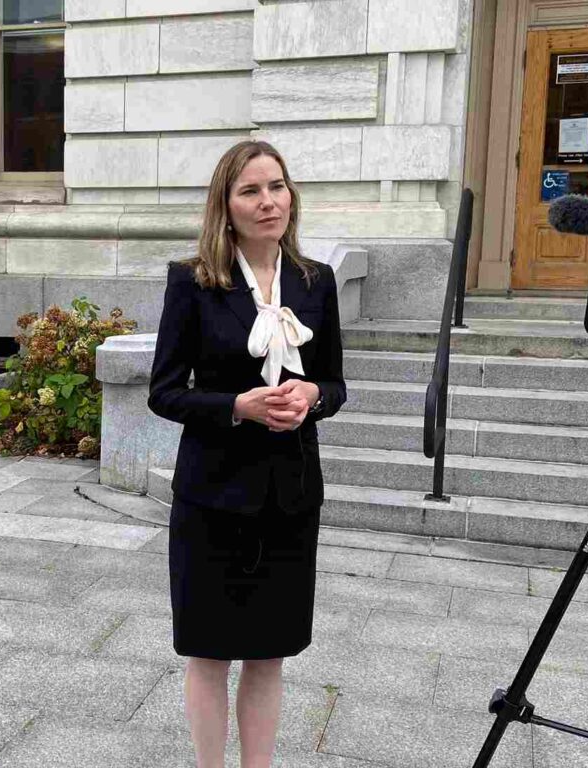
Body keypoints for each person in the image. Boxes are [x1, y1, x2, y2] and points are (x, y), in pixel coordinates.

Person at [148, 140, 346, 768]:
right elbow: (165, 391)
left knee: (269, 651)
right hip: (213, 494)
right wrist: (239, 406)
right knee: (210, 651)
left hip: (289, 494)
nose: (269, 202)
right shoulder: (194, 282)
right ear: (225, 207)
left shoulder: (316, 282)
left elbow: (336, 383)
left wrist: (312, 395)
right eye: (251, 191)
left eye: (278, 186)